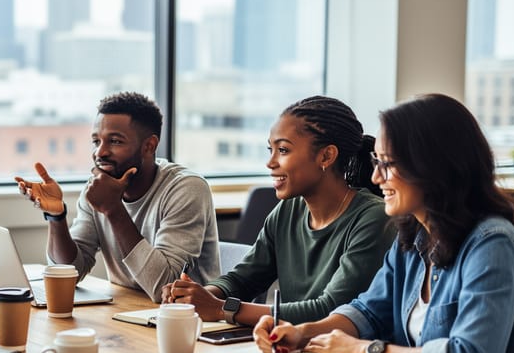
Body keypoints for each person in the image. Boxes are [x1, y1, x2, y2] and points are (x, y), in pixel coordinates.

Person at [254, 93, 514, 353]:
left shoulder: (492, 244)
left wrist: (366, 351)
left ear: (434, 166)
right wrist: (303, 333)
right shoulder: (413, 237)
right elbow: (368, 311)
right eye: (375, 162)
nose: (375, 176)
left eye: (387, 164)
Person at [162, 96, 395, 326]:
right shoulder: (288, 210)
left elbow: (331, 310)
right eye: (270, 149)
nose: (270, 163)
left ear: (326, 155)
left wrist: (221, 309)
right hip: (288, 346)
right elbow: (243, 279)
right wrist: (196, 296)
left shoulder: (373, 219)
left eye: (283, 150)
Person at [14, 91, 220, 302]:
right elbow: (68, 273)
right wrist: (56, 216)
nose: (100, 153)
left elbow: (165, 289)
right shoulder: (96, 190)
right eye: (96, 141)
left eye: (115, 141)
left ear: (149, 146)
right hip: (127, 313)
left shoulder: (186, 188)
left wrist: (113, 209)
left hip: (189, 322)